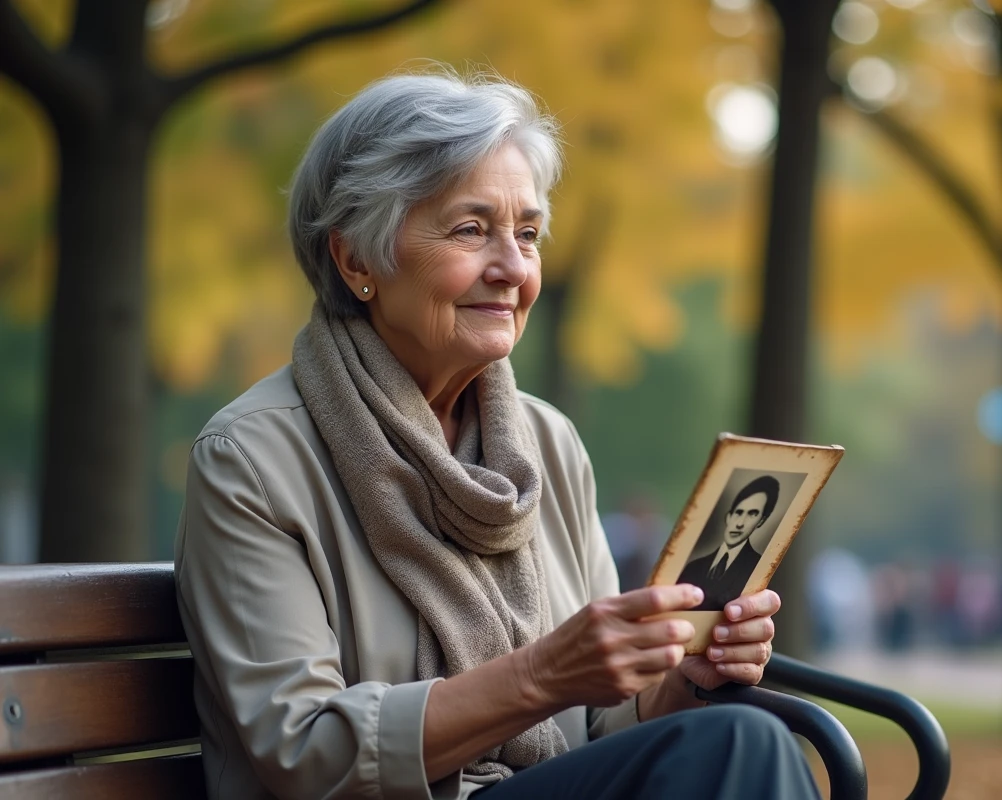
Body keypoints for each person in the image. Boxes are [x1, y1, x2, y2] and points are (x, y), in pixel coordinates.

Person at [173, 70, 818, 800]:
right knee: (746, 742)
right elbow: (303, 752)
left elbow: (604, 730)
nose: (513, 267)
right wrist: (542, 674)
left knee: (738, 735)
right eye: (471, 229)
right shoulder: (252, 461)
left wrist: (679, 680)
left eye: (529, 233)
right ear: (356, 259)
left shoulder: (547, 443)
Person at [677, 476, 779, 612]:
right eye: (738, 513)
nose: (740, 523)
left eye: (752, 514)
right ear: (728, 517)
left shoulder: (760, 569)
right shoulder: (693, 567)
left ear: (760, 521)